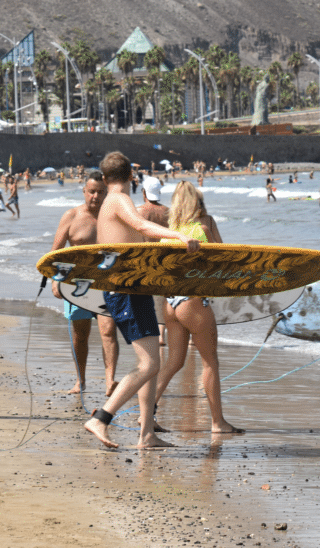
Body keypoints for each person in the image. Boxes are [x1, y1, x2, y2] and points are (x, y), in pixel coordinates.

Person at [83, 151, 199, 449]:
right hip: (125, 290)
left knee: (152, 363)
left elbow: (135, 241)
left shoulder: (113, 203)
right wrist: (180, 237)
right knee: (148, 364)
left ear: (106, 178)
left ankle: (146, 433)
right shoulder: (119, 200)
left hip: (135, 287)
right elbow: (143, 226)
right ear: (130, 178)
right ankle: (101, 418)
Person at [153, 182, 242, 434]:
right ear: (197, 203)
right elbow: (224, 256)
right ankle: (218, 423)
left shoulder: (168, 234)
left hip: (170, 304)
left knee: (173, 362)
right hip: (193, 302)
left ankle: (146, 414)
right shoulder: (205, 225)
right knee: (210, 362)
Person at [50, 171, 119, 396]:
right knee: (81, 335)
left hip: (105, 284)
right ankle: (81, 380)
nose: (95, 197)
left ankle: (110, 381)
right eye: (91, 192)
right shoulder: (71, 216)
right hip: (76, 285)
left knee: (108, 331)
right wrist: (54, 282)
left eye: (100, 192)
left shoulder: (113, 217)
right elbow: (56, 251)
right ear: (84, 192)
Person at [138, 175, 170, 346]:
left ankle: (151, 332)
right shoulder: (169, 212)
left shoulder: (139, 212)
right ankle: (161, 335)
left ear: (143, 192)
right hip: (165, 257)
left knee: (148, 297)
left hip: (144, 257)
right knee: (162, 296)